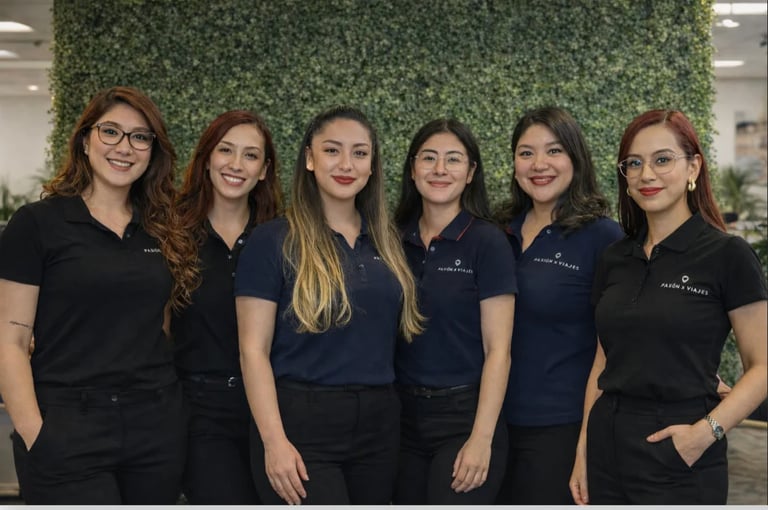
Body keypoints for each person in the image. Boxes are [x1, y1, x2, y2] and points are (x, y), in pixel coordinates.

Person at [0, 85, 199, 504]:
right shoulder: (38, 224)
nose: (124, 147)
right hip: (69, 423)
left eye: (140, 137)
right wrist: (36, 433)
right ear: (85, 139)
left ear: (152, 151)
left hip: (154, 425)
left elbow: (158, 326)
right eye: (111, 132)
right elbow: (11, 341)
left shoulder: (162, 228)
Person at [570, 109, 768, 505]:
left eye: (663, 160)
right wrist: (583, 452)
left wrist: (704, 434)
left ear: (693, 166)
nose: (647, 175)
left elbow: (762, 365)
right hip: (607, 443)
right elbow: (601, 363)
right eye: (634, 163)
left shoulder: (727, 254)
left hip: (681, 447)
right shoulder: (614, 258)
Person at [234, 105, 423, 505]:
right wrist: (274, 442)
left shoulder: (388, 243)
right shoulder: (272, 241)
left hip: (379, 424)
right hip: (301, 424)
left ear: (372, 165)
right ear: (309, 158)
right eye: (332, 150)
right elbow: (253, 351)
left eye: (359, 153)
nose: (346, 164)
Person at [494, 106, 624, 504]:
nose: (539, 165)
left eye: (553, 151)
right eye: (526, 152)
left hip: (560, 429)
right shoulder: (496, 231)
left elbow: (615, 348)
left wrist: (585, 444)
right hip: (486, 425)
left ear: (575, 158)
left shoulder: (603, 238)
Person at [391, 119, 516, 504]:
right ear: (413, 169)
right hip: (399, 421)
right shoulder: (391, 238)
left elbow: (499, 350)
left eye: (453, 160)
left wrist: (482, 438)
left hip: (463, 418)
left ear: (471, 172)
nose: (440, 170)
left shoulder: (488, 242)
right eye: (429, 158)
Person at [172, 110, 283, 504]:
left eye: (250, 155)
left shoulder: (282, 238)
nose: (236, 165)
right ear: (206, 158)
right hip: (202, 414)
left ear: (265, 170)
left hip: (277, 411)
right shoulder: (171, 233)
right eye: (225, 150)